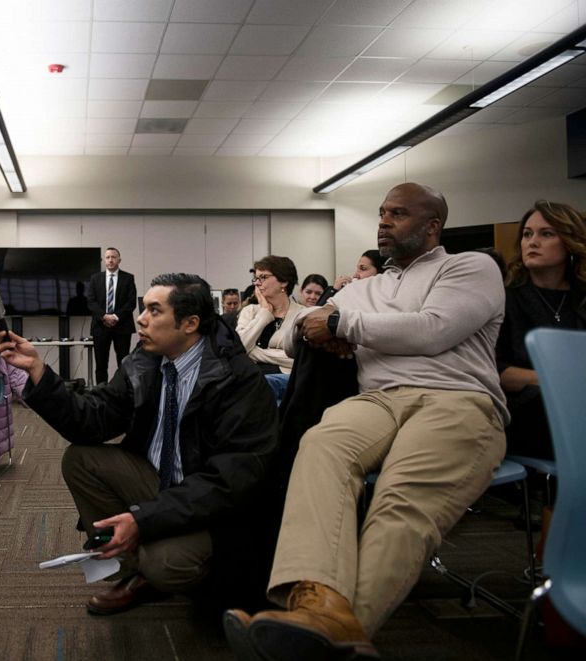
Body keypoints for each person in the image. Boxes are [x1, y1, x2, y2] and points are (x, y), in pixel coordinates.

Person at [223, 183, 508, 660]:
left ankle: (330, 630)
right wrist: (323, 323)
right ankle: (319, 606)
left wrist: (341, 324)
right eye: (381, 213)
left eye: (398, 214)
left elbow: (433, 329)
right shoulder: (365, 287)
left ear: (432, 225)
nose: (383, 222)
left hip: (457, 400)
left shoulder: (470, 267)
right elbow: (297, 334)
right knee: (320, 446)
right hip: (379, 399)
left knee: (400, 497)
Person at [0, 273, 278, 615]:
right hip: (160, 480)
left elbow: (229, 484)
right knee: (81, 459)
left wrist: (143, 520)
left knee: (163, 562)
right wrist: (39, 370)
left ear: (190, 323)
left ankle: (170, 573)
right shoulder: (146, 361)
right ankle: (136, 570)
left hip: (212, 507)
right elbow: (93, 419)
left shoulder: (237, 382)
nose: (141, 319)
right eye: (143, 308)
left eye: (154, 311)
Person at [496, 200, 586, 459]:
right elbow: (495, 371)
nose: (532, 242)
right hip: (528, 410)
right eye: (527, 234)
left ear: (570, 242)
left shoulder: (581, 298)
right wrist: (556, 379)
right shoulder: (504, 298)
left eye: (546, 234)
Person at [236, 256, 304, 400]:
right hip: (250, 378)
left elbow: (299, 359)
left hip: (286, 381)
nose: (257, 283)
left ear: (283, 281)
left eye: (263, 277)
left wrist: (253, 351)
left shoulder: (302, 314)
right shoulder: (250, 311)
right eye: (256, 278)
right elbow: (237, 349)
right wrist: (264, 314)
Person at [86, 247, 137, 384]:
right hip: (100, 327)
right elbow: (91, 302)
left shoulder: (128, 278)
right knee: (101, 365)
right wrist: (104, 316)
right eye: (108, 257)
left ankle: (123, 393)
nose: (110, 260)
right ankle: (101, 394)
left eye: (113, 257)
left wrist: (115, 317)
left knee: (124, 363)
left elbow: (131, 303)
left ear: (119, 260)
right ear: (104, 260)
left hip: (122, 327)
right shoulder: (95, 278)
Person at [319, 250, 385, 306]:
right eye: (358, 269)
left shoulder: (383, 301)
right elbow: (316, 316)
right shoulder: (350, 293)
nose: (355, 275)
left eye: (363, 268)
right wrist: (334, 290)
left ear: (380, 272)